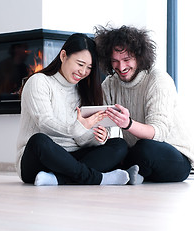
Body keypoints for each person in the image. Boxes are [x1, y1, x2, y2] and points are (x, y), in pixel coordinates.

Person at [16, 33, 132, 186]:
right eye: (80, 64)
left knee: (119, 145)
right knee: (39, 141)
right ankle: (98, 178)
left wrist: (97, 138)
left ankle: (57, 179)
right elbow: (44, 123)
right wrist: (79, 127)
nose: (83, 72)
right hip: (40, 159)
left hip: (71, 158)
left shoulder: (83, 91)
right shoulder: (38, 82)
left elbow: (80, 138)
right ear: (63, 56)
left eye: (89, 67)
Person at [94, 25, 194, 184]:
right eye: (115, 61)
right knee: (116, 146)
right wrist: (101, 134)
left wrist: (127, 124)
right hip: (136, 152)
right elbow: (103, 126)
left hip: (174, 157)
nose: (121, 67)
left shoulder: (157, 79)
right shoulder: (109, 84)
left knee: (145, 148)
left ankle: (127, 172)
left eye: (127, 60)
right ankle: (133, 173)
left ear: (139, 56)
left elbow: (159, 133)